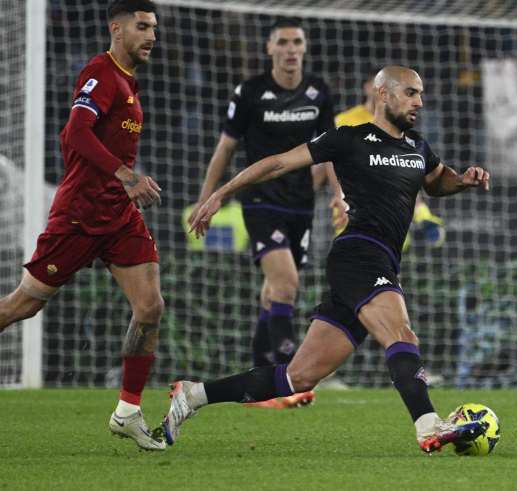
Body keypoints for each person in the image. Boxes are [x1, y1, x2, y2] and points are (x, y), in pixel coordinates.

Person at [164, 66, 491, 453]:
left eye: (420, 93)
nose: (419, 101)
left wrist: (463, 180)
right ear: (382, 94)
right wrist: (221, 193)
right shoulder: (349, 139)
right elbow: (278, 163)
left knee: (299, 378)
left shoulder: (417, 147)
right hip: (358, 255)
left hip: (382, 261)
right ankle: (427, 424)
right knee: (402, 334)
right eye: (410, 92)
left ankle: (192, 395)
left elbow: (438, 181)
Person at [0, 0, 165, 450]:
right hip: (79, 214)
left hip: (118, 216)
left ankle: (128, 412)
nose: (151, 35)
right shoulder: (101, 73)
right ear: (117, 28)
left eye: (154, 28)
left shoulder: (129, 83)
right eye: (142, 26)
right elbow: (75, 133)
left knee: (149, 308)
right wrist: (127, 176)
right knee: (22, 306)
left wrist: (123, 185)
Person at [187, 18, 342, 408]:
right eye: (284, 42)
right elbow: (225, 148)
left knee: (273, 290)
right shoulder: (251, 92)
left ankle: (258, 380)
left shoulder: (318, 92)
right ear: (269, 48)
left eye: (297, 42)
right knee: (286, 283)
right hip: (259, 201)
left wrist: (338, 194)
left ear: (305, 48)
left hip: (301, 203)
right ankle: (290, 368)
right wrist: (208, 198)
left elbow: (330, 148)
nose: (291, 49)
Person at [331, 72, 445, 251]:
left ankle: (422, 215)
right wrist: (339, 195)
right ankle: (422, 215)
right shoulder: (343, 120)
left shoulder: (396, 124)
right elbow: (331, 161)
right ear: (367, 87)